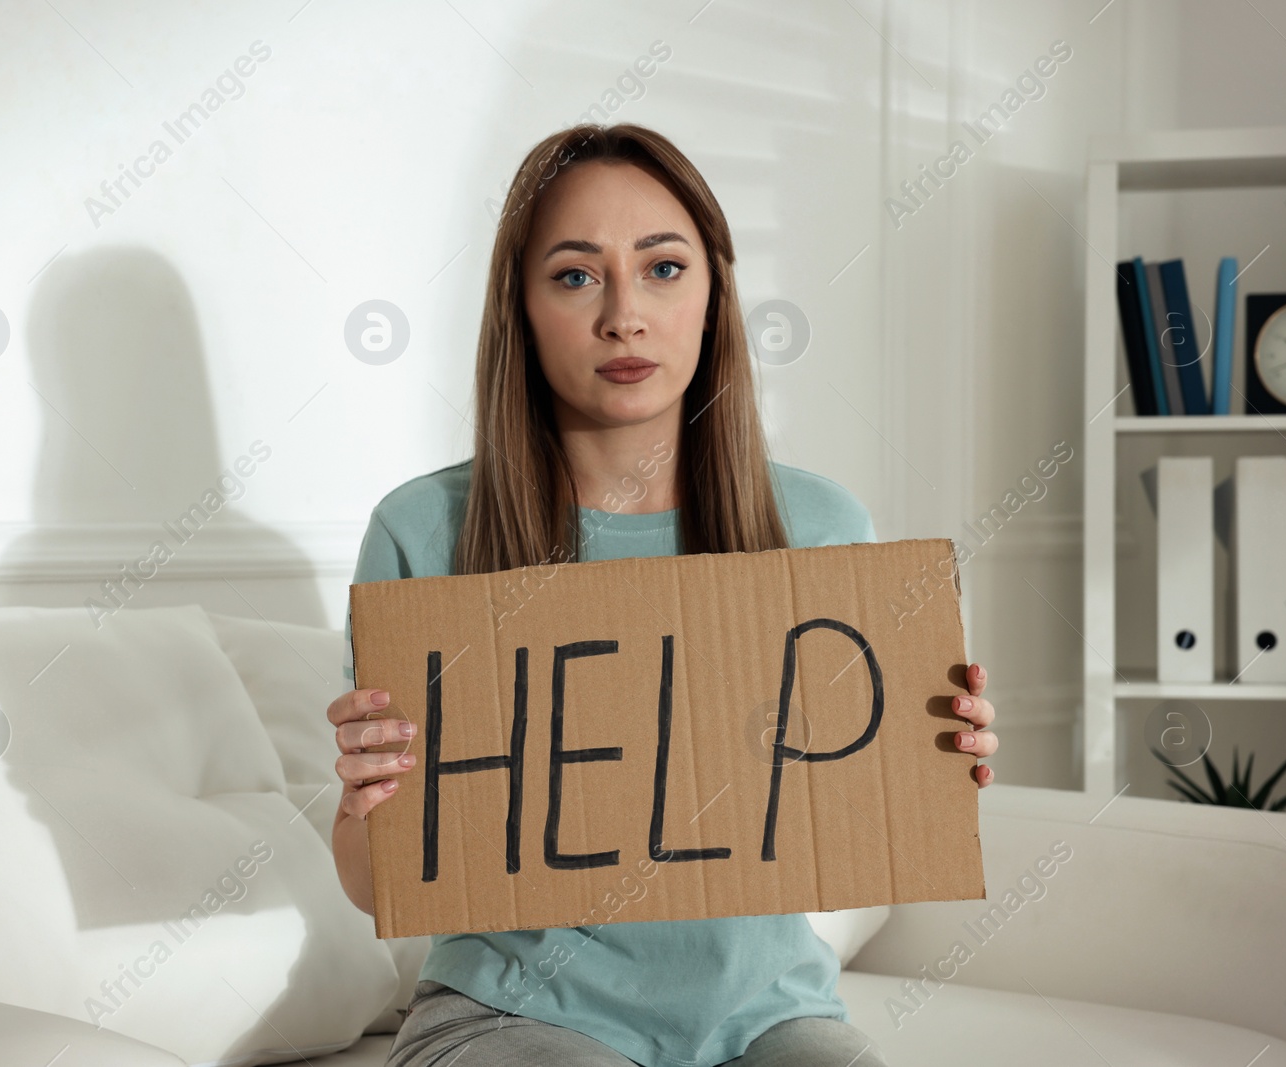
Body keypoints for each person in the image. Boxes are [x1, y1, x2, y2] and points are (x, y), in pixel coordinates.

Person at [326, 122, 1000, 1067]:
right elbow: (373, 886)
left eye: (664, 268)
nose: (624, 316)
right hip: (511, 1018)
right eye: (574, 275)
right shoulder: (424, 530)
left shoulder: (822, 525)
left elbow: (862, 804)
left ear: (715, 294)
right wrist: (365, 799)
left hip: (770, 1017)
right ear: (518, 306)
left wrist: (938, 753)